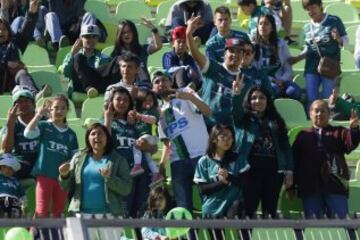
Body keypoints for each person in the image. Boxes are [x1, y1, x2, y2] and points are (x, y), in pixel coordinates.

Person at [187, 15, 273, 127]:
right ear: (224, 54)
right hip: (204, 125)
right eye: (231, 51)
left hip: (228, 133)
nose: (235, 55)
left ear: (243, 56)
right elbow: (195, 53)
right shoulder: (213, 68)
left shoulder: (246, 81)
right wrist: (188, 33)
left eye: (239, 52)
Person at [232, 81, 293, 218]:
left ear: (267, 101)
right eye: (253, 98)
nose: (257, 101)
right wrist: (236, 94)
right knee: (247, 211)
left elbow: (285, 147)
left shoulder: (276, 121)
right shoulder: (243, 119)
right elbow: (235, 110)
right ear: (248, 100)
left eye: (261, 97)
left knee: (270, 212)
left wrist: (289, 171)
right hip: (249, 172)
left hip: (274, 172)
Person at [292, 100, 360, 219]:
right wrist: (291, 185)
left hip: (335, 186)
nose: (319, 114)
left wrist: (354, 129)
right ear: (310, 113)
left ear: (329, 114)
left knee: (340, 224)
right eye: (316, 111)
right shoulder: (302, 135)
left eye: (323, 111)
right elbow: (294, 161)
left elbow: (351, 143)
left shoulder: (339, 132)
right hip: (310, 188)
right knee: (314, 227)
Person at [157, 70, 211, 213]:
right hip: (177, 163)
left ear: (171, 82)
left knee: (210, 202)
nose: (161, 84)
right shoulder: (159, 112)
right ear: (153, 88)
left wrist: (190, 98)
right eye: (156, 82)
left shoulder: (185, 92)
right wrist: (162, 165)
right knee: (183, 209)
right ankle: (189, 236)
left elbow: (207, 111)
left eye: (164, 80)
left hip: (200, 157)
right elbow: (167, 142)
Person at [58, 123, 132, 216]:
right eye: (93, 134)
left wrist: (109, 178)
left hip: (110, 215)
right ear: (88, 138)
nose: (97, 136)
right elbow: (65, 186)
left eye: (100, 133)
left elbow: (126, 189)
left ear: (107, 138)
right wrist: (64, 176)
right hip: (80, 214)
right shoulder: (78, 157)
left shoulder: (119, 160)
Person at [104, 87, 156, 217]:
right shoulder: (108, 123)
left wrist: (146, 147)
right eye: (118, 99)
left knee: (141, 213)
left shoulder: (135, 124)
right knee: (124, 214)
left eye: (125, 100)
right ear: (111, 102)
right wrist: (108, 119)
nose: (122, 103)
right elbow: (104, 144)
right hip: (122, 174)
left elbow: (153, 148)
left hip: (142, 173)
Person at [24, 95, 79, 218]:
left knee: (57, 213)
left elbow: (76, 157)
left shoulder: (71, 134)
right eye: (56, 108)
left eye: (63, 108)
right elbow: (27, 133)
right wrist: (38, 114)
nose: (59, 111)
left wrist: (69, 164)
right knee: (41, 211)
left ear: (67, 110)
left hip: (62, 180)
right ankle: (34, 236)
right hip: (44, 176)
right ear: (50, 110)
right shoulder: (44, 126)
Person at [289, 0, 348, 108]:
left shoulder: (334, 20)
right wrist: (297, 58)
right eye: (308, 9)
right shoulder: (306, 27)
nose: (311, 11)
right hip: (311, 67)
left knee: (327, 100)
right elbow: (308, 48)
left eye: (313, 7)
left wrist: (338, 39)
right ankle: (312, 124)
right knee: (311, 100)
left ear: (320, 5)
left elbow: (346, 41)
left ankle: (327, 123)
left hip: (329, 68)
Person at [194, 124, 243, 219]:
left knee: (241, 207)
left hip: (233, 206)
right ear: (213, 139)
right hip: (212, 209)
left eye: (230, 137)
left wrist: (229, 177)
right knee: (215, 227)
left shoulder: (238, 159)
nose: (228, 140)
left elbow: (246, 182)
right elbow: (203, 190)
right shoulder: (203, 161)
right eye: (223, 136)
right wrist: (221, 183)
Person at [253, 14, 301, 100]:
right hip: (264, 81)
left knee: (294, 91)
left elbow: (288, 69)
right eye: (260, 24)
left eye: (266, 24)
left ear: (272, 28)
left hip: (282, 80)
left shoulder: (281, 44)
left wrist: (282, 80)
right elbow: (256, 71)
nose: (262, 26)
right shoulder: (253, 46)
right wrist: (274, 80)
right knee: (274, 90)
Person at [58, 24, 110, 99]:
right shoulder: (73, 56)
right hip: (78, 87)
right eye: (87, 36)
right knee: (78, 57)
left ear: (98, 39)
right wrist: (72, 54)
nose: (91, 40)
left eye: (94, 36)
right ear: (81, 38)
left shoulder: (104, 58)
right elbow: (64, 73)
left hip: (96, 87)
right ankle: (88, 88)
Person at [0, 87, 39, 185]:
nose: (23, 104)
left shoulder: (43, 120)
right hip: (20, 165)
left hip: (41, 163)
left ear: (33, 104)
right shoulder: (12, 123)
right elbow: (6, 151)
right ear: (14, 106)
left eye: (26, 101)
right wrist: (10, 124)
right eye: (19, 102)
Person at [0, 0, 39, 94]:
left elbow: (27, 30)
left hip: (12, 83)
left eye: (4, 29)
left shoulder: (15, 43)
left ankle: (35, 95)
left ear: (9, 31)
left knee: (22, 73)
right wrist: (7, 66)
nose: (1, 32)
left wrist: (31, 13)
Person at [111, 19, 162, 86]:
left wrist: (153, 29)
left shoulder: (142, 49)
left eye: (129, 32)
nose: (126, 35)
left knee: (139, 66)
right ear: (119, 35)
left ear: (134, 33)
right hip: (124, 87)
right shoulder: (116, 54)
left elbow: (158, 46)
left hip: (143, 86)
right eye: (123, 32)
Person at [129, 88, 164, 188]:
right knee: (148, 157)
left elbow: (153, 120)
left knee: (137, 145)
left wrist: (140, 116)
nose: (148, 103)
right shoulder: (139, 112)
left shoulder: (152, 110)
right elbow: (132, 123)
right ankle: (156, 174)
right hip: (145, 138)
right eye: (144, 100)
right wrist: (132, 116)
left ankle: (137, 166)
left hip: (151, 136)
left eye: (150, 100)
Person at [162, 25, 202, 90]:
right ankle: (184, 92)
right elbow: (169, 70)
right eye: (178, 42)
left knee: (198, 78)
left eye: (184, 42)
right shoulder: (168, 56)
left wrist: (194, 80)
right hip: (173, 85)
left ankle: (190, 92)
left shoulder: (189, 58)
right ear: (173, 43)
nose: (181, 45)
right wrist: (186, 68)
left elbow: (195, 72)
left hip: (188, 83)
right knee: (181, 71)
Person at [0, 153, 27, 218]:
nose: (7, 170)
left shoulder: (16, 181)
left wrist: (24, 206)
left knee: (14, 221)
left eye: (10, 168)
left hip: (14, 202)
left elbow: (22, 194)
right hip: (1, 199)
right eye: (4, 167)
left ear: (14, 170)